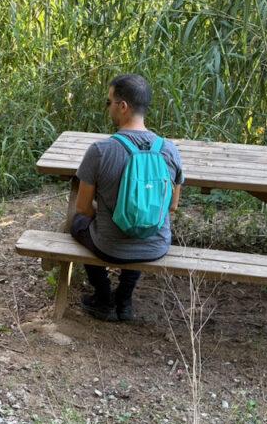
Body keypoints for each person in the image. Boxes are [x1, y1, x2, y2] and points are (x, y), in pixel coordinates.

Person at [71, 74, 184, 322]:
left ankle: (103, 297)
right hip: (156, 246)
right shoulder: (169, 149)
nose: (107, 107)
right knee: (141, 227)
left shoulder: (100, 151)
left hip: (110, 247)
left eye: (108, 102)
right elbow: (172, 206)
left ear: (123, 106)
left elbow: (82, 207)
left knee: (77, 224)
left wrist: (105, 217)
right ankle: (124, 298)